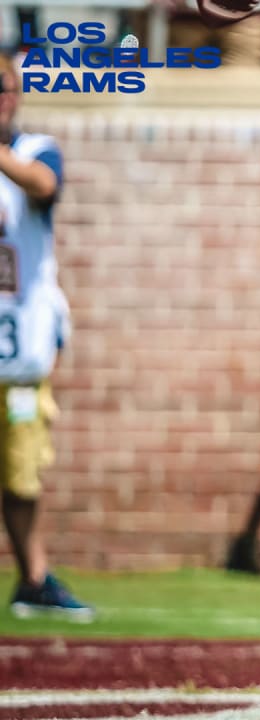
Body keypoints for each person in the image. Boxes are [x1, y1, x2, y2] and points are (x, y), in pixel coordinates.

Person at [0, 55, 93, 622]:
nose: (3, 97)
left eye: (7, 88)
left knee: (21, 474)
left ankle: (33, 578)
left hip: (19, 355)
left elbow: (43, 184)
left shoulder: (36, 149)